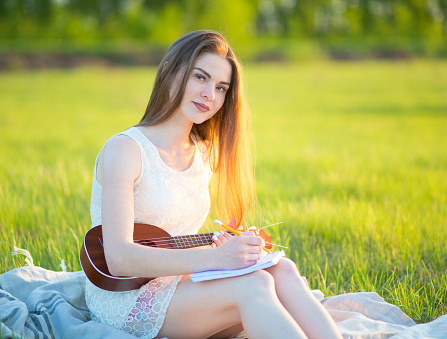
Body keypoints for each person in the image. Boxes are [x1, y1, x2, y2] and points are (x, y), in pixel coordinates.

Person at [85, 30, 343, 339]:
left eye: (221, 87)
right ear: (169, 70)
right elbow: (119, 259)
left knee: (281, 270)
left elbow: (177, 237)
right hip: (127, 297)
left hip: (182, 283)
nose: (210, 94)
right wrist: (216, 259)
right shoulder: (125, 150)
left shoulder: (205, 152)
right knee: (255, 285)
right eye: (200, 77)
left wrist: (228, 249)